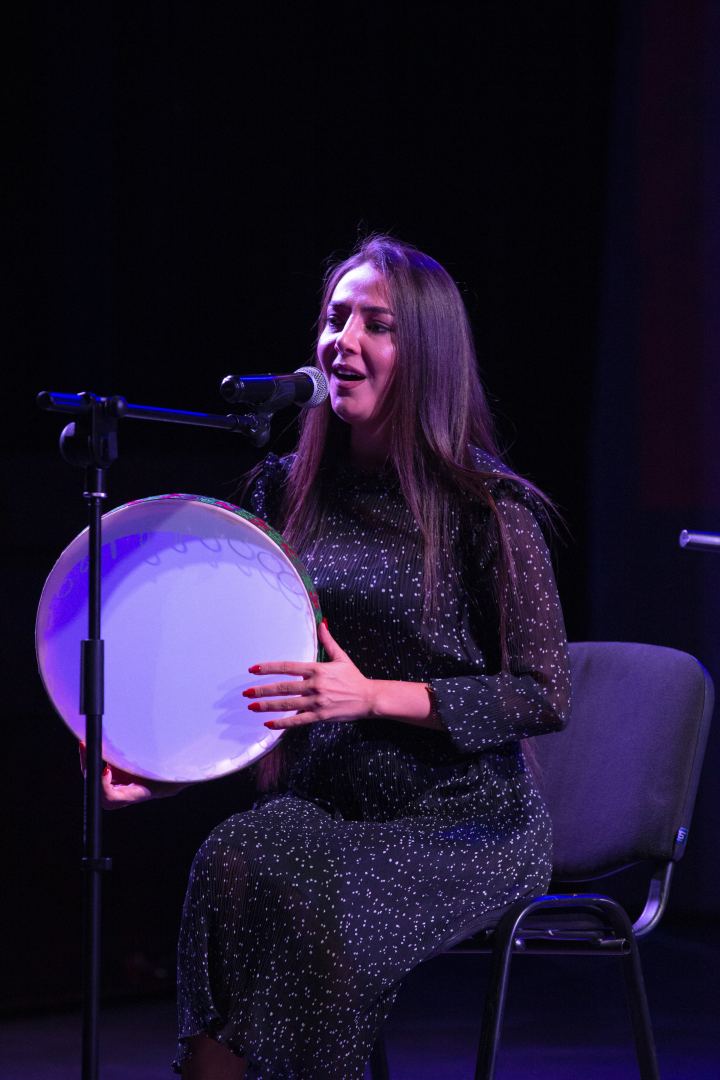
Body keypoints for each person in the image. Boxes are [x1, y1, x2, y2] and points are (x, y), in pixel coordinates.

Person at [98, 235, 571, 1079]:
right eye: (334, 318)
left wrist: (373, 695)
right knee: (233, 860)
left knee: (318, 908)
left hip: (463, 820)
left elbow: (542, 692)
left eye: (376, 325)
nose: (343, 341)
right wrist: (169, 768)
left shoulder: (487, 507)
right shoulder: (283, 490)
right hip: (330, 805)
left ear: (426, 353)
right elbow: (257, 674)